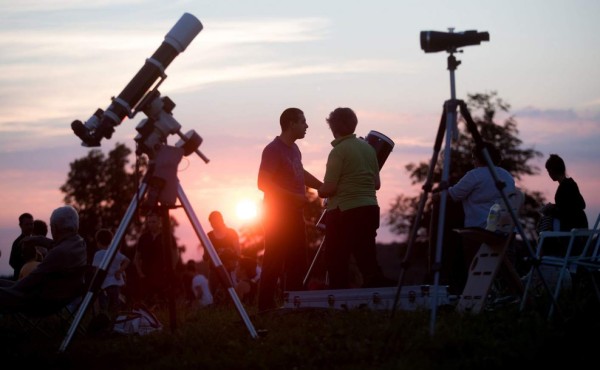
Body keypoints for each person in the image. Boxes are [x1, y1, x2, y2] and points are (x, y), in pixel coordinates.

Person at [257, 107, 323, 312]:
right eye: (303, 121)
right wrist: (293, 196)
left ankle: (296, 304)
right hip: (277, 215)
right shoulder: (272, 149)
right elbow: (263, 183)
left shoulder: (294, 149)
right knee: (274, 260)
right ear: (291, 123)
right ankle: (265, 308)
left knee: (297, 260)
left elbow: (299, 172)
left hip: (295, 215)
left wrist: (321, 186)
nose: (307, 126)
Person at [318, 107, 389, 289]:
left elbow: (329, 188)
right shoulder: (368, 149)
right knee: (367, 261)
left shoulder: (338, 151)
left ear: (334, 127)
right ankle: (378, 303)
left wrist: (319, 190)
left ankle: (338, 304)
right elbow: (376, 184)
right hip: (370, 209)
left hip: (345, 212)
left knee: (335, 261)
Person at [446, 142, 516, 292]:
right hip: (504, 231)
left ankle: (471, 291)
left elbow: (454, 194)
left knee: (461, 251)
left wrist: (437, 195)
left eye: (473, 158)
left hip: (479, 232)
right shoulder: (507, 176)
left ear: (479, 158)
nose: (473, 161)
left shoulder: (475, 175)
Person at [0, 205, 87, 313]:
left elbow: (29, 281)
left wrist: (7, 291)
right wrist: (39, 239)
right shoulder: (79, 243)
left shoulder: (58, 253)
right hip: (59, 298)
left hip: (39, 302)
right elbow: (58, 245)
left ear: (55, 228)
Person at [133, 210, 178, 307]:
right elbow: (137, 257)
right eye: (149, 222)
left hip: (163, 275)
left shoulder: (167, 236)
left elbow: (175, 254)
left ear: (159, 222)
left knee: (163, 303)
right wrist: (140, 273)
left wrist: (172, 269)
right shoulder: (143, 237)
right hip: (146, 275)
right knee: (147, 303)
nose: (151, 224)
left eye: (154, 222)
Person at [541, 154, 588, 232]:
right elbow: (569, 206)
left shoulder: (566, 186)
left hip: (572, 230)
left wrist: (550, 209)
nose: (549, 174)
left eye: (548, 171)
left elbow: (566, 212)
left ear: (553, 170)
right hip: (577, 227)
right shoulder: (570, 184)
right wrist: (554, 206)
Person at [203, 210, 241, 303]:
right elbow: (205, 257)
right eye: (211, 222)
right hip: (214, 271)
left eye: (214, 221)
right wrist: (213, 252)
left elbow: (238, 253)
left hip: (229, 269)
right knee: (216, 297)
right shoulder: (209, 236)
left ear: (221, 220)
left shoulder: (231, 233)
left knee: (231, 296)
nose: (213, 224)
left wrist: (227, 252)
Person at [91, 228, 130, 317]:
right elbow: (127, 261)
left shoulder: (98, 254)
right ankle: (116, 320)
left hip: (104, 286)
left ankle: (105, 320)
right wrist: (119, 271)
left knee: (104, 306)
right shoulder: (115, 252)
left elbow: (95, 270)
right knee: (115, 305)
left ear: (99, 242)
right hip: (116, 284)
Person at [8, 213, 34, 280]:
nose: (30, 227)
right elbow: (12, 262)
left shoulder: (35, 240)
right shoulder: (17, 243)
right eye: (27, 224)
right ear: (20, 226)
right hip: (21, 280)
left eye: (31, 224)